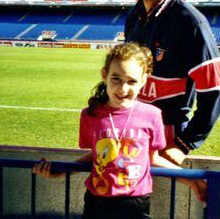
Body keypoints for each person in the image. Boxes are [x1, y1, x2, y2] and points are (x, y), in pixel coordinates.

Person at [33, 43, 205, 218]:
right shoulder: (90, 115)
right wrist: (63, 170)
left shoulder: (152, 115)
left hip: (135, 204)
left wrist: (191, 180)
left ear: (144, 81)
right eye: (116, 79)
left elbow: (152, 159)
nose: (123, 89)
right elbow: (96, 156)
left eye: (132, 81)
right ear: (104, 75)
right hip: (97, 203)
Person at [125, 0, 220, 165]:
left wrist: (185, 143)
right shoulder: (133, 16)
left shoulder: (189, 21)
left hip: (167, 135)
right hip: (133, 127)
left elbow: (216, 89)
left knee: (159, 201)